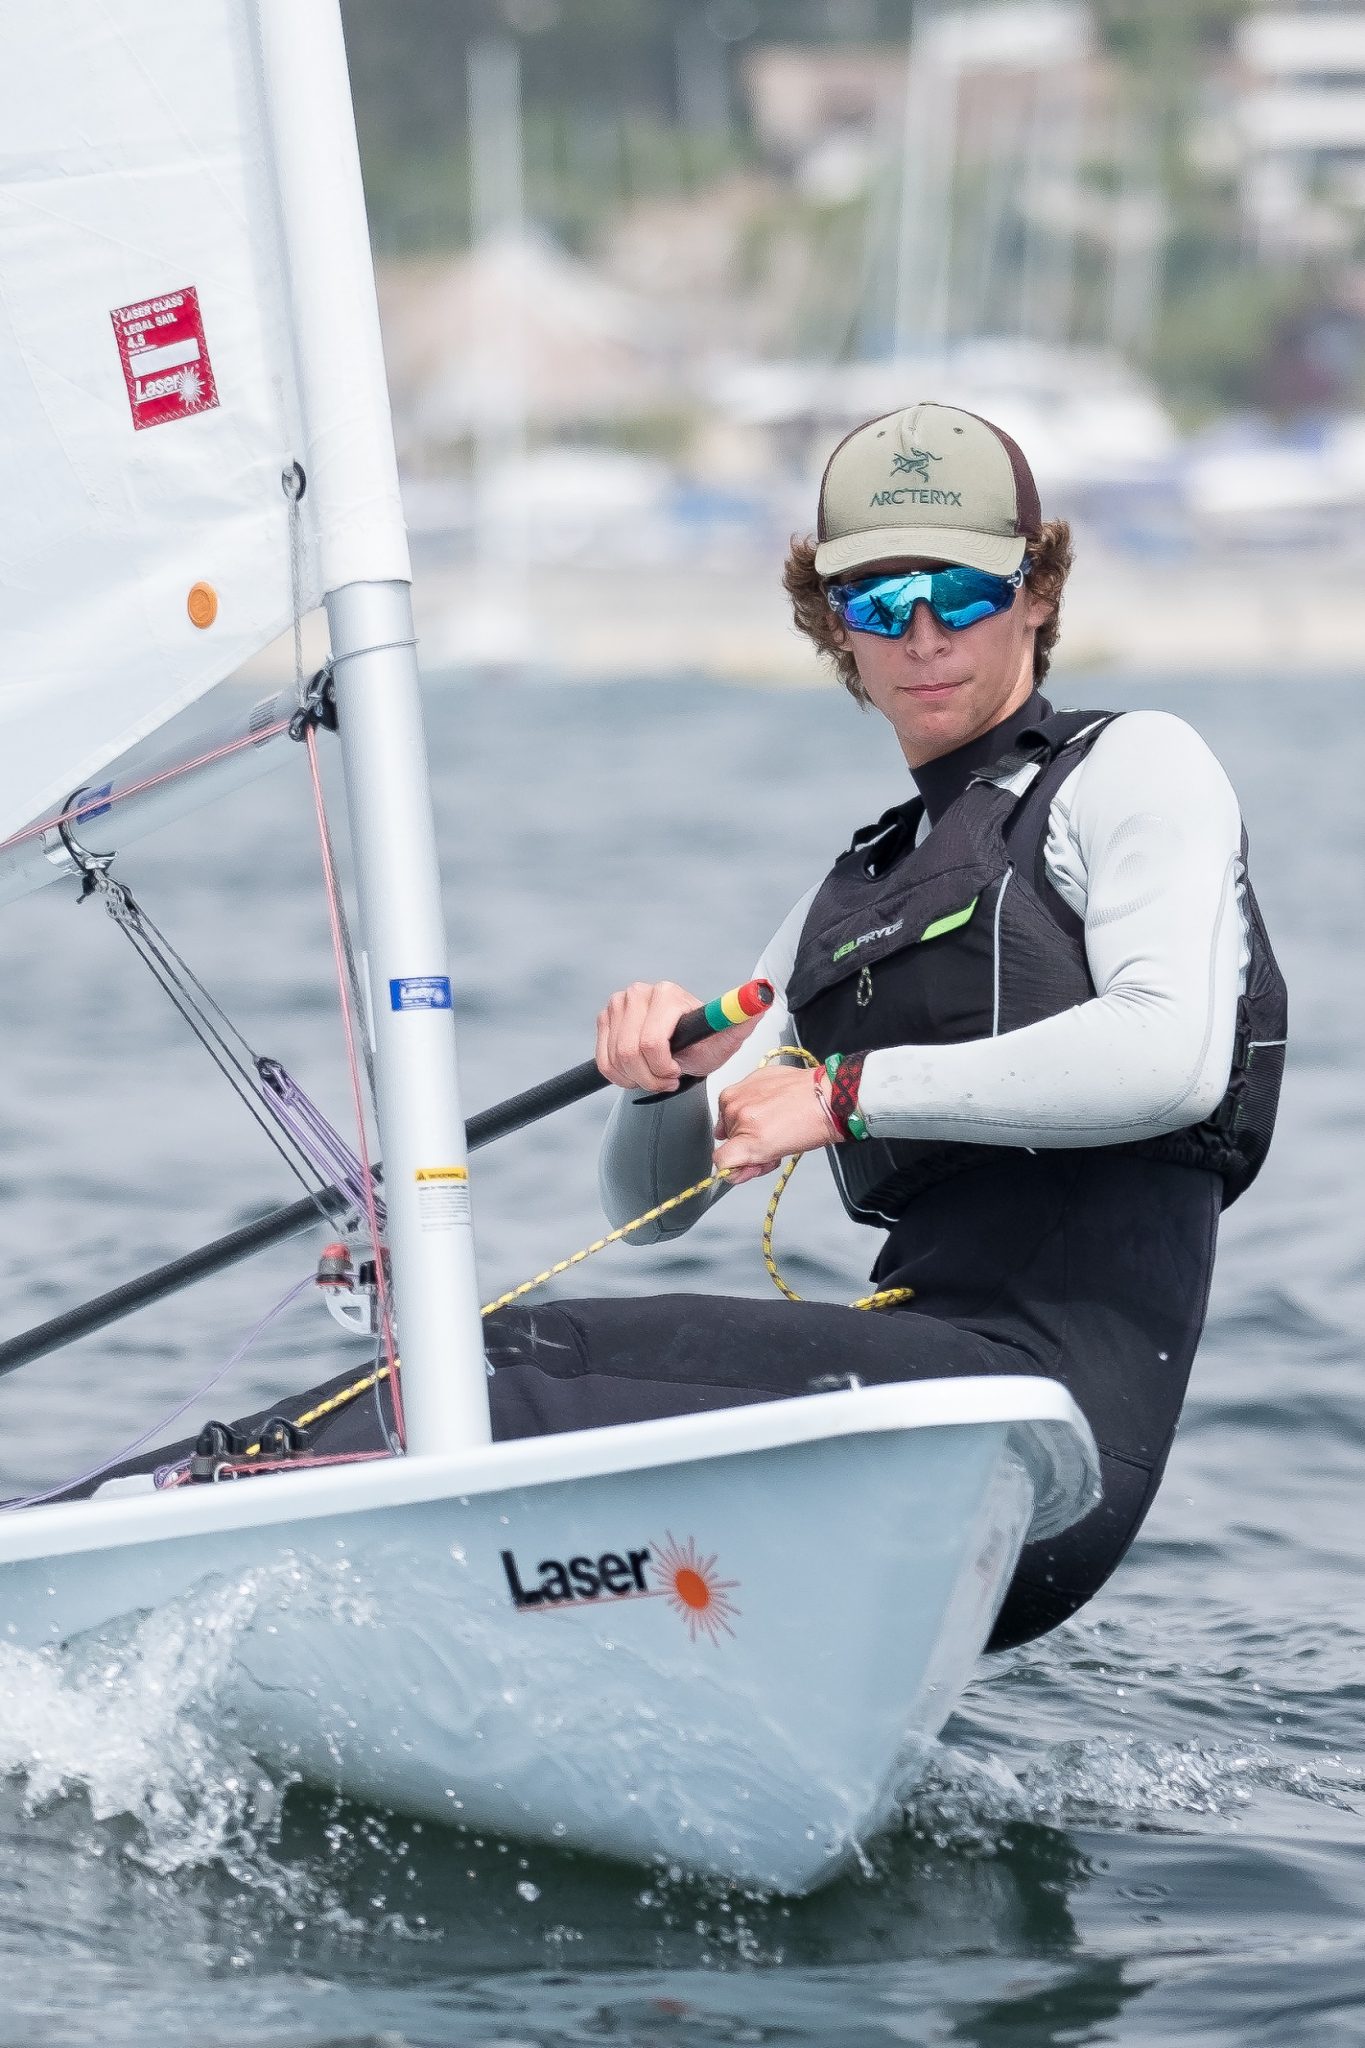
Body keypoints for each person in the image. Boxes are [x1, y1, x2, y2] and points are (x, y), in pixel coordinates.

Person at [106, 403, 1287, 1653]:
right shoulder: (849, 900)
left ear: (1037, 589)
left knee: (513, 1362)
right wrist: (662, 1088)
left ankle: (125, 1543)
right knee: (474, 1366)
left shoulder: (1136, 767)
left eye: (966, 591)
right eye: (883, 603)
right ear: (837, 624)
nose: (926, 635)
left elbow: (1169, 1057)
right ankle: (220, 1585)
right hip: (908, 1420)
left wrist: (843, 1094)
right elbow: (659, 1209)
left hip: (1030, 1440)